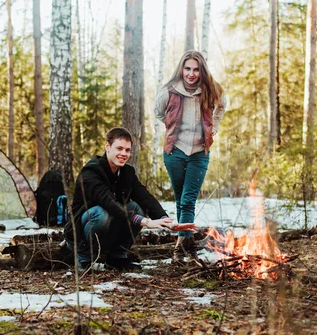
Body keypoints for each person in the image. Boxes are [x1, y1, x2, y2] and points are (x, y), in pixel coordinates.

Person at [64, 127, 174, 270]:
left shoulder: (127, 172)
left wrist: (165, 220)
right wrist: (145, 222)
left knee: (136, 207)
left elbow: (144, 196)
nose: (123, 154)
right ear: (108, 147)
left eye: (127, 150)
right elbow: (109, 203)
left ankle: (117, 257)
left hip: (107, 228)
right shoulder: (90, 172)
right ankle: (84, 257)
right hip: (80, 232)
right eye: (119, 148)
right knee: (102, 213)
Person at [154, 50, 227, 264]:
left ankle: (179, 249)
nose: (191, 73)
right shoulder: (169, 91)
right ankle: (188, 245)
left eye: (196, 69)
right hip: (174, 152)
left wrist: (214, 128)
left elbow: (222, 105)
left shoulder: (211, 90)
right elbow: (158, 112)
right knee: (180, 201)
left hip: (199, 153)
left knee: (187, 201)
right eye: (188, 69)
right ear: (182, 69)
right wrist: (171, 125)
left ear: (201, 70)